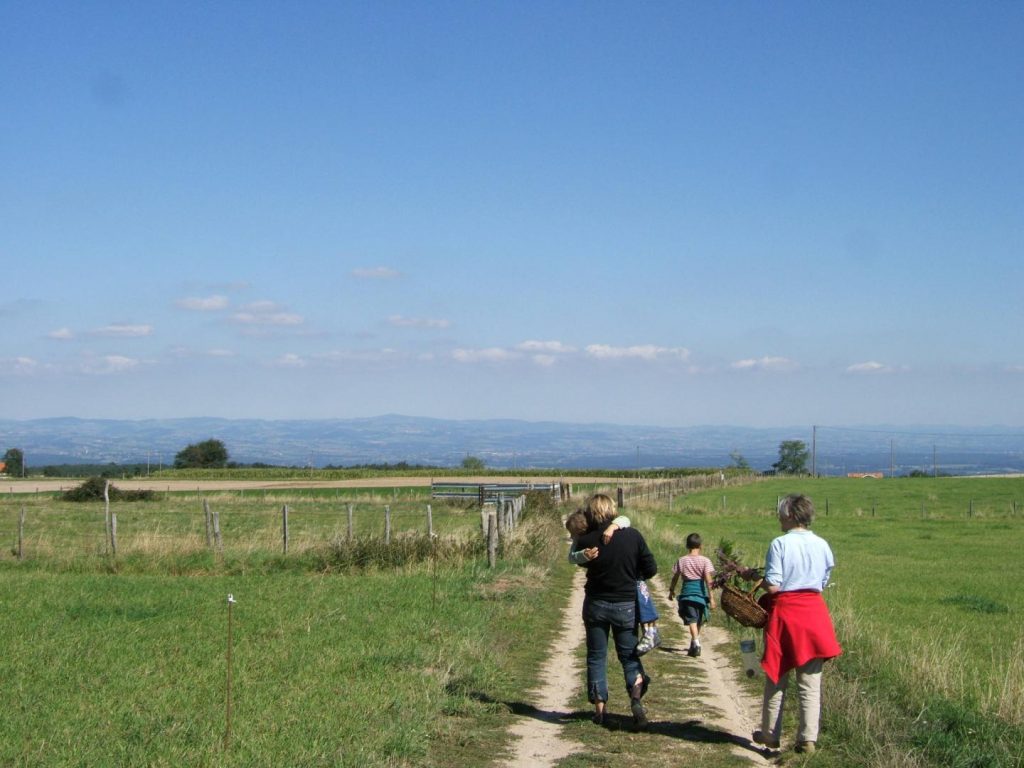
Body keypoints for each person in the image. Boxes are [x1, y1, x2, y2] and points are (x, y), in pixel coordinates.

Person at [753, 494, 842, 756]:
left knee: (777, 675)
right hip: (814, 612)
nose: (778, 517)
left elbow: (774, 585)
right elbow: (823, 581)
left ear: (791, 515)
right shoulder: (822, 544)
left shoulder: (780, 544)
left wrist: (757, 577)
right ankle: (807, 739)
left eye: (781, 513)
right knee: (810, 681)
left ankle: (770, 734)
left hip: (787, 613)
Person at [574, 493, 658, 729]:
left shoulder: (586, 539)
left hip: (595, 604)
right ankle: (635, 697)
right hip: (626, 605)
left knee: (596, 656)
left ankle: (600, 709)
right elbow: (650, 568)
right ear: (612, 509)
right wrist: (634, 575)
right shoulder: (633, 536)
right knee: (629, 656)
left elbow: (579, 561)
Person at [565, 511, 662, 655]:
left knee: (643, 599)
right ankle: (649, 633)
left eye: (573, 534)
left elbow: (624, 519)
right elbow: (572, 557)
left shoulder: (589, 539)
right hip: (626, 592)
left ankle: (651, 632)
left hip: (599, 599)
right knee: (642, 599)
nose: (572, 537)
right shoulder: (632, 535)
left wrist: (612, 527)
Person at [668, 532, 716, 657]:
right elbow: (709, 581)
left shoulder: (682, 560)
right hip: (700, 594)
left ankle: (696, 643)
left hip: (687, 594)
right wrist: (712, 598)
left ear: (687, 546)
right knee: (697, 620)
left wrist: (671, 590)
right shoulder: (705, 561)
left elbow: (675, 577)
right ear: (700, 546)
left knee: (693, 620)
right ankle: (694, 643)